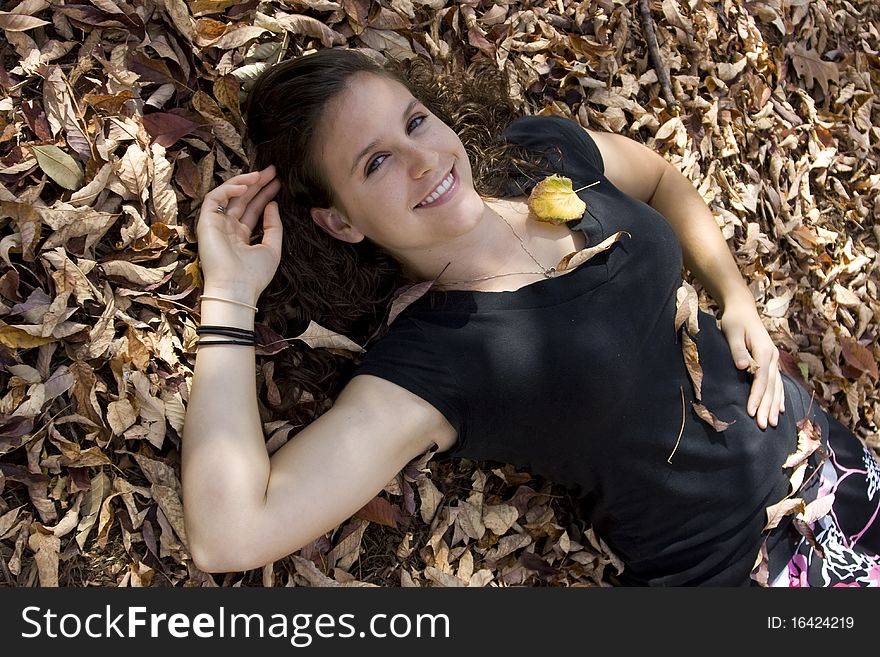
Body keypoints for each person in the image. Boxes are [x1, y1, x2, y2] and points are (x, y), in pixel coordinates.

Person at [182, 47, 880, 586]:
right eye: (377, 162)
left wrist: (737, 299)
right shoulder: (435, 357)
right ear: (340, 221)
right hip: (751, 570)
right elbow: (231, 532)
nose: (426, 160)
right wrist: (231, 295)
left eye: (415, 121)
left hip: (835, 460)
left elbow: (662, 177)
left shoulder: (541, 155)